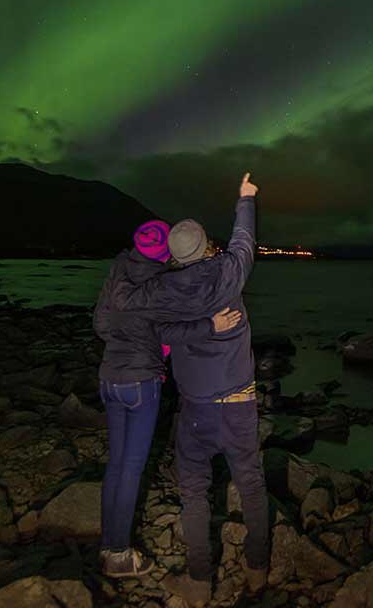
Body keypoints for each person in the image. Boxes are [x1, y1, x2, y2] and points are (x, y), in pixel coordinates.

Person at [108, 172, 265, 607]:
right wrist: (245, 198)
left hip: (195, 410)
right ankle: (256, 570)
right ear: (205, 246)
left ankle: (199, 582)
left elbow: (140, 316)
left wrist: (128, 263)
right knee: (251, 484)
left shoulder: (161, 289)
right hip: (238, 405)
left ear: (174, 256)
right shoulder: (228, 275)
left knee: (194, 493)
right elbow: (244, 242)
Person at [92, 219, 244, 577]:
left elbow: (101, 324)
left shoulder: (118, 270)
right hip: (141, 383)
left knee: (115, 465)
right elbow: (171, 331)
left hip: (109, 378)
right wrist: (213, 326)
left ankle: (107, 545)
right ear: (164, 252)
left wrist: (126, 340)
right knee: (131, 468)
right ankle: (118, 554)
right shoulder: (159, 284)